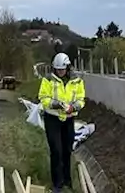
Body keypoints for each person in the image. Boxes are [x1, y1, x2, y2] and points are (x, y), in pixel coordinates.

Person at [39, 52, 86, 193]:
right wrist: (56, 104)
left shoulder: (77, 81)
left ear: (68, 67)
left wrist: (73, 107)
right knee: (56, 151)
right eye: (57, 69)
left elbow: (81, 99)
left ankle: (67, 180)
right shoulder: (48, 80)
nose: (60, 72)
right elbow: (43, 97)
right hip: (53, 119)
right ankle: (57, 183)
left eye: (62, 69)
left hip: (69, 119)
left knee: (67, 150)